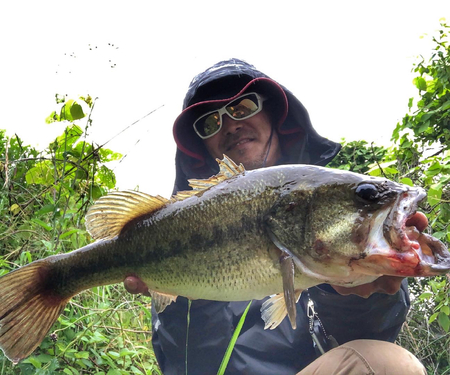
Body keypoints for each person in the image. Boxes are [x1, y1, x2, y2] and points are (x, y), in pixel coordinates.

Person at [124, 59, 426, 374]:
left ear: (273, 117)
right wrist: (186, 297)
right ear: (202, 150)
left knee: (389, 365)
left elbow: (366, 343)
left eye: (242, 107)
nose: (230, 125)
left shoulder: (339, 211)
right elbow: (187, 367)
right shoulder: (177, 235)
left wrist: (351, 293)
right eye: (210, 122)